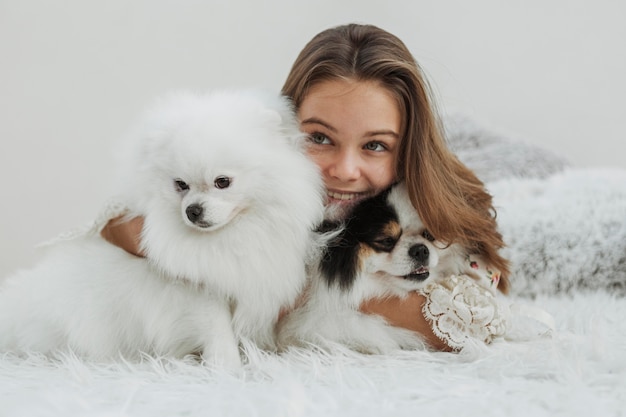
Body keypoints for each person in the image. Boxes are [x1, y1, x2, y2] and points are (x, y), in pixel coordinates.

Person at [101, 23, 510, 352]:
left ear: (407, 149)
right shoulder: (253, 168)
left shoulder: (426, 206)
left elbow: (479, 312)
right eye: (320, 138)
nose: (346, 171)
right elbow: (114, 223)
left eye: (374, 145)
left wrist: (314, 293)